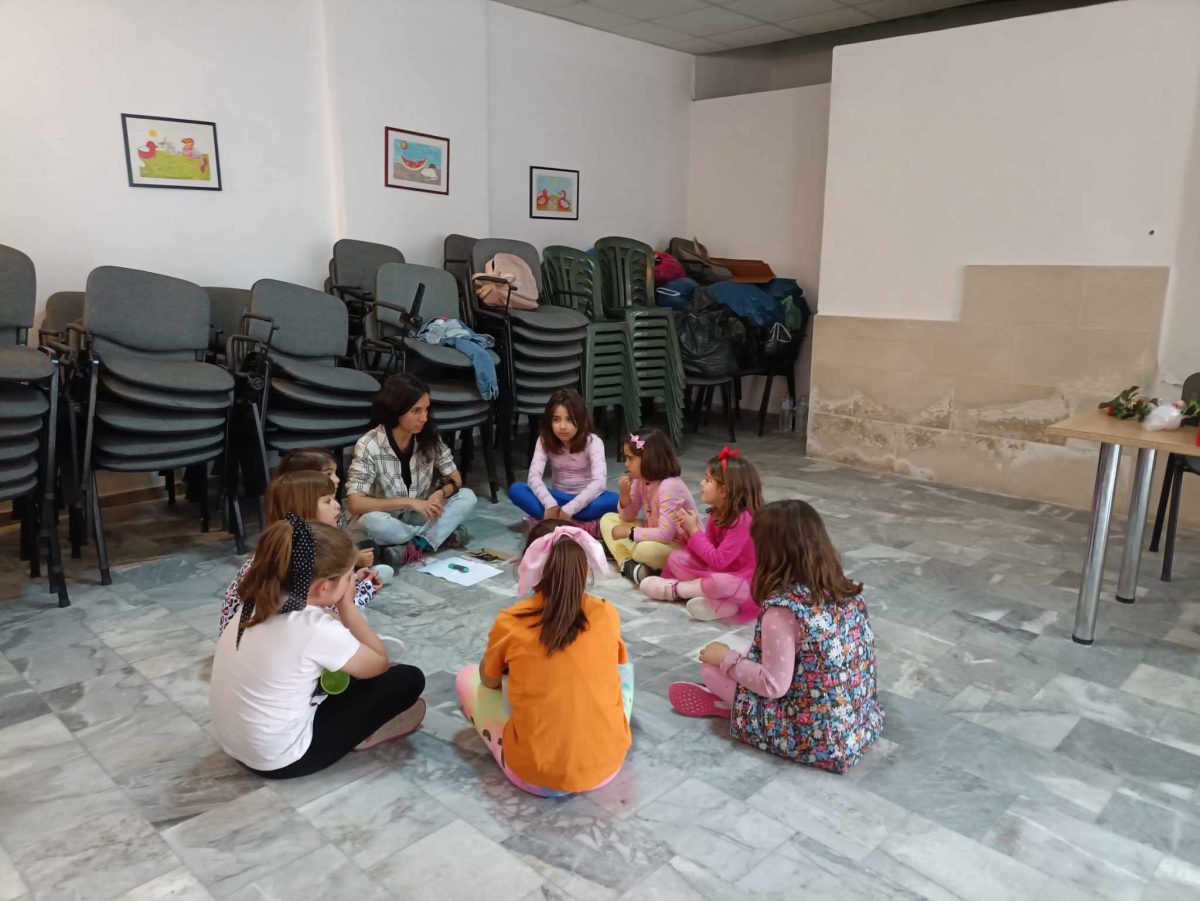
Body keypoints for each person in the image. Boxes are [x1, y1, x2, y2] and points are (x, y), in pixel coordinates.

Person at [668, 500, 884, 773]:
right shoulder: (845, 592)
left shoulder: (782, 611)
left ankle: (734, 709)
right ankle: (734, 701)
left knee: (711, 669)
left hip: (813, 736)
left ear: (770, 553)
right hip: (858, 720)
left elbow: (773, 686)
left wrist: (726, 660)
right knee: (749, 654)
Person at [210, 516, 426, 779]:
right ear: (323, 587)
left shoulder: (260, 599)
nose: (352, 581)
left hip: (236, 744)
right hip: (283, 760)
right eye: (349, 576)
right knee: (407, 678)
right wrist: (347, 606)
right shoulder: (313, 627)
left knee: (341, 673)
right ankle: (367, 733)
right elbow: (379, 663)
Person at [456, 520, 633, 797]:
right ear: (584, 567)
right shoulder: (606, 612)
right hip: (608, 766)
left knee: (466, 678)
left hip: (533, 774)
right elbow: (617, 663)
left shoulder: (511, 622)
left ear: (528, 566)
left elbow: (489, 682)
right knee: (625, 669)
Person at [218, 471, 391, 637]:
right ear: (304, 508)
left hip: (243, 644)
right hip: (274, 646)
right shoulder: (306, 559)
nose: (337, 505)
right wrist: (366, 589)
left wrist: (354, 579)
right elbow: (333, 610)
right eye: (328, 500)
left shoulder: (277, 548)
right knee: (356, 623)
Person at [345, 374, 477, 568]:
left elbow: (455, 479)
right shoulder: (369, 444)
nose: (424, 418)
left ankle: (414, 546)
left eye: (426, 409)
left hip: (417, 514)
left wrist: (440, 493)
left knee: (467, 496)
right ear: (396, 411)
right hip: (387, 518)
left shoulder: (428, 436)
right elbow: (355, 504)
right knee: (370, 521)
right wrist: (409, 501)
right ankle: (438, 536)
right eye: (416, 411)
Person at [640, 447, 762, 623]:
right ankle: (723, 604)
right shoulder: (716, 514)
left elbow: (718, 561)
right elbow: (707, 555)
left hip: (744, 581)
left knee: (720, 583)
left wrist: (694, 531)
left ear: (724, 491)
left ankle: (676, 590)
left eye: (708, 480)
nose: (701, 483)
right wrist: (686, 534)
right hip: (718, 571)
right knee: (676, 558)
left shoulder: (743, 520)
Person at [506, 388, 617, 535]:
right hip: (557, 498)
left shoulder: (593, 442)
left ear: (580, 419)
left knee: (616, 500)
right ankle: (576, 524)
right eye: (556, 419)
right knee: (516, 489)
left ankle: (552, 522)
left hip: (587, 501)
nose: (562, 426)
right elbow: (533, 477)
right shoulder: (544, 440)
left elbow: (599, 483)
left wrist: (569, 509)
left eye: (569, 419)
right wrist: (550, 504)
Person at [599, 430, 697, 587]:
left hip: (679, 546)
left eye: (630, 458)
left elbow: (665, 535)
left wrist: (629, 533)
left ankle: (623, 553)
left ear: (648, 459)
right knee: (607, 519)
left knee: (643, 550)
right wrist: (624, 496)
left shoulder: (670, 486)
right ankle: (627, 564)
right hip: (653, 533)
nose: (626, 464)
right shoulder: (640, 480)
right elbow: (627, 517)